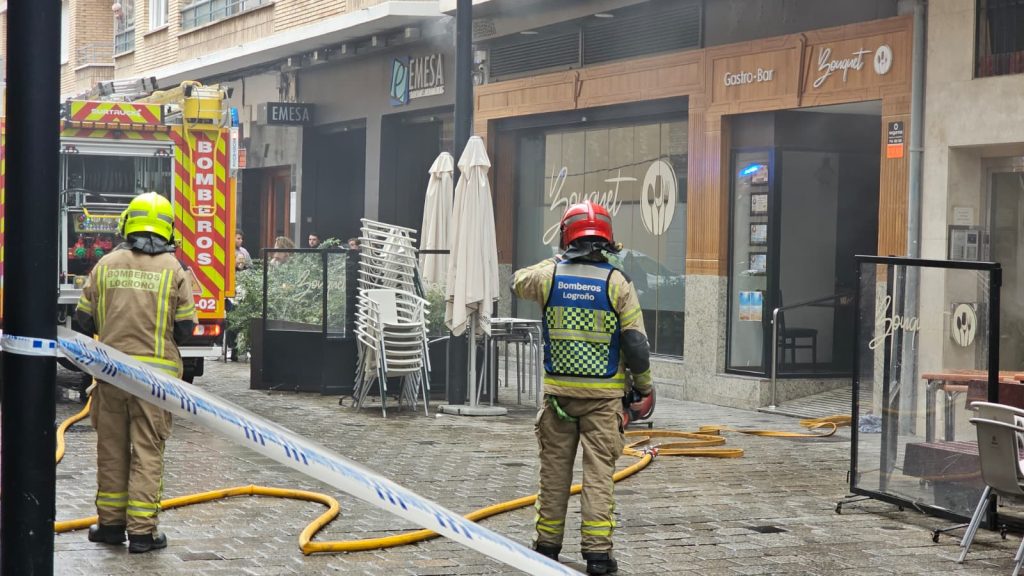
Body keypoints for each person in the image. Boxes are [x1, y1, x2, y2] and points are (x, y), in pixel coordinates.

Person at [512, 200, 653, 576]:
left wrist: (555, 261)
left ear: (566, 237)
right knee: (598, 478)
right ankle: (598, 556)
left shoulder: (549, 277)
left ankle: (546, 547)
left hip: (558, 398)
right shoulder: (617, 283)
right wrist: (645, 387)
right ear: (606, 240)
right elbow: (636, 345)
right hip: (604, 402)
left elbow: (517, 281)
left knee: (554, 475)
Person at [75, 192, 197, 554]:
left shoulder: (107, 264)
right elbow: (186, 328)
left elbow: (83, 320)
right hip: (154, 384)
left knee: (111, 449)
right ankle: (142, 534)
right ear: (167, 228)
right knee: (147, 452)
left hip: (110, 375)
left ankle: (110, 526)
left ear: (127, 222)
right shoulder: (173, 270)